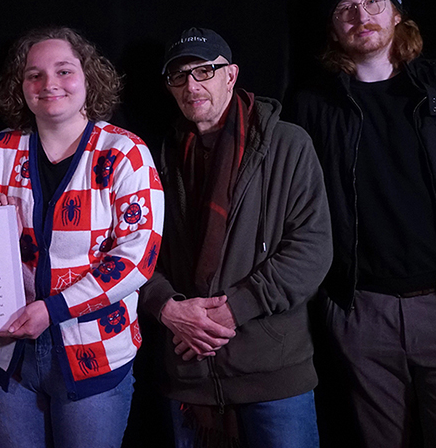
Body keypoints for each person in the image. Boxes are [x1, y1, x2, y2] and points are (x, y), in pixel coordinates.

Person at [0, 27, 164, 447]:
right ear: (21, 87)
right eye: (34, 74)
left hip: (95, 349)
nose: (49, 84)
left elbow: (137, 258)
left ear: (88, 78)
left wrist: (51, 310)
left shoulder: (123, 152)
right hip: (7, 351)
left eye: (64, 71)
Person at [139, 27, 332, 448]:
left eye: (205, 71)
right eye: (179, 76)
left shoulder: (287, 144)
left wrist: (236, 309)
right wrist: (167, 309)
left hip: (273, 373)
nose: (192, 85)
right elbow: (136, 251)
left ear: (231, 75)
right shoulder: (157, 157)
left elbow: (311, 249)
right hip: (188, 371)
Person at [289, 0, 436, 447]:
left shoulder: (434, 88)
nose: (361, 16)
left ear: (397, 13)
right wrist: (334, 304)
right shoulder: (311, 105)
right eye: (345, 9)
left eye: (373, 2)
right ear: (333, 28)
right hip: (361, 309)